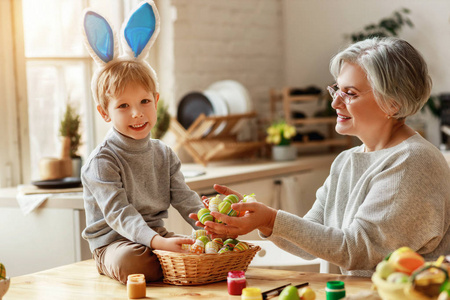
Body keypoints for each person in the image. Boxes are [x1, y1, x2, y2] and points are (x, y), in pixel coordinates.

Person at [192, 37, 450, 277]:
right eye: (336, 89)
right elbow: (312, 242)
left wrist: (271, 218)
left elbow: (356, 250)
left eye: (350, 93)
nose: (335, 103)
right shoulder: (347, 160)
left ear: (392, 103)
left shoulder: (412, 162)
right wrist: (259, 220)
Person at [81, 2, 203, 284]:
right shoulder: (102, 162)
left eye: (144, 101)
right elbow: (120, 214)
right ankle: (166, 263)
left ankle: (169, 261)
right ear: (104, 112)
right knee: (133, 263)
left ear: (156, 101)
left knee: (196, 250)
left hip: (155, 238)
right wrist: (160, 245)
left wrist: (208, 225)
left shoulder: (163, 153)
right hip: (114, 245)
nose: (137, 113)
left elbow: (184, 198)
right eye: (123, 105)